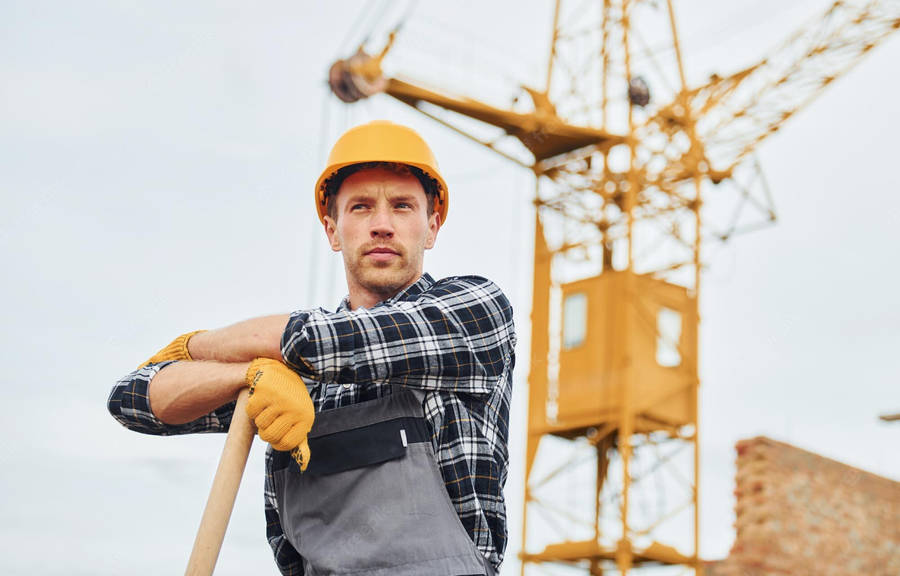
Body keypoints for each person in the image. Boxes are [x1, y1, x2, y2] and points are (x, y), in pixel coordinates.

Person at [107, 120, 516, 576]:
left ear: (432, 225)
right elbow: (133, 400)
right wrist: (246, 376)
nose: (382, 225)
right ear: (332, 230)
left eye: (402, 206)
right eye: (361, 208)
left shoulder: (475, 313)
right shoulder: (282, 369)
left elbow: (320, 341)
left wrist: (196, 346)